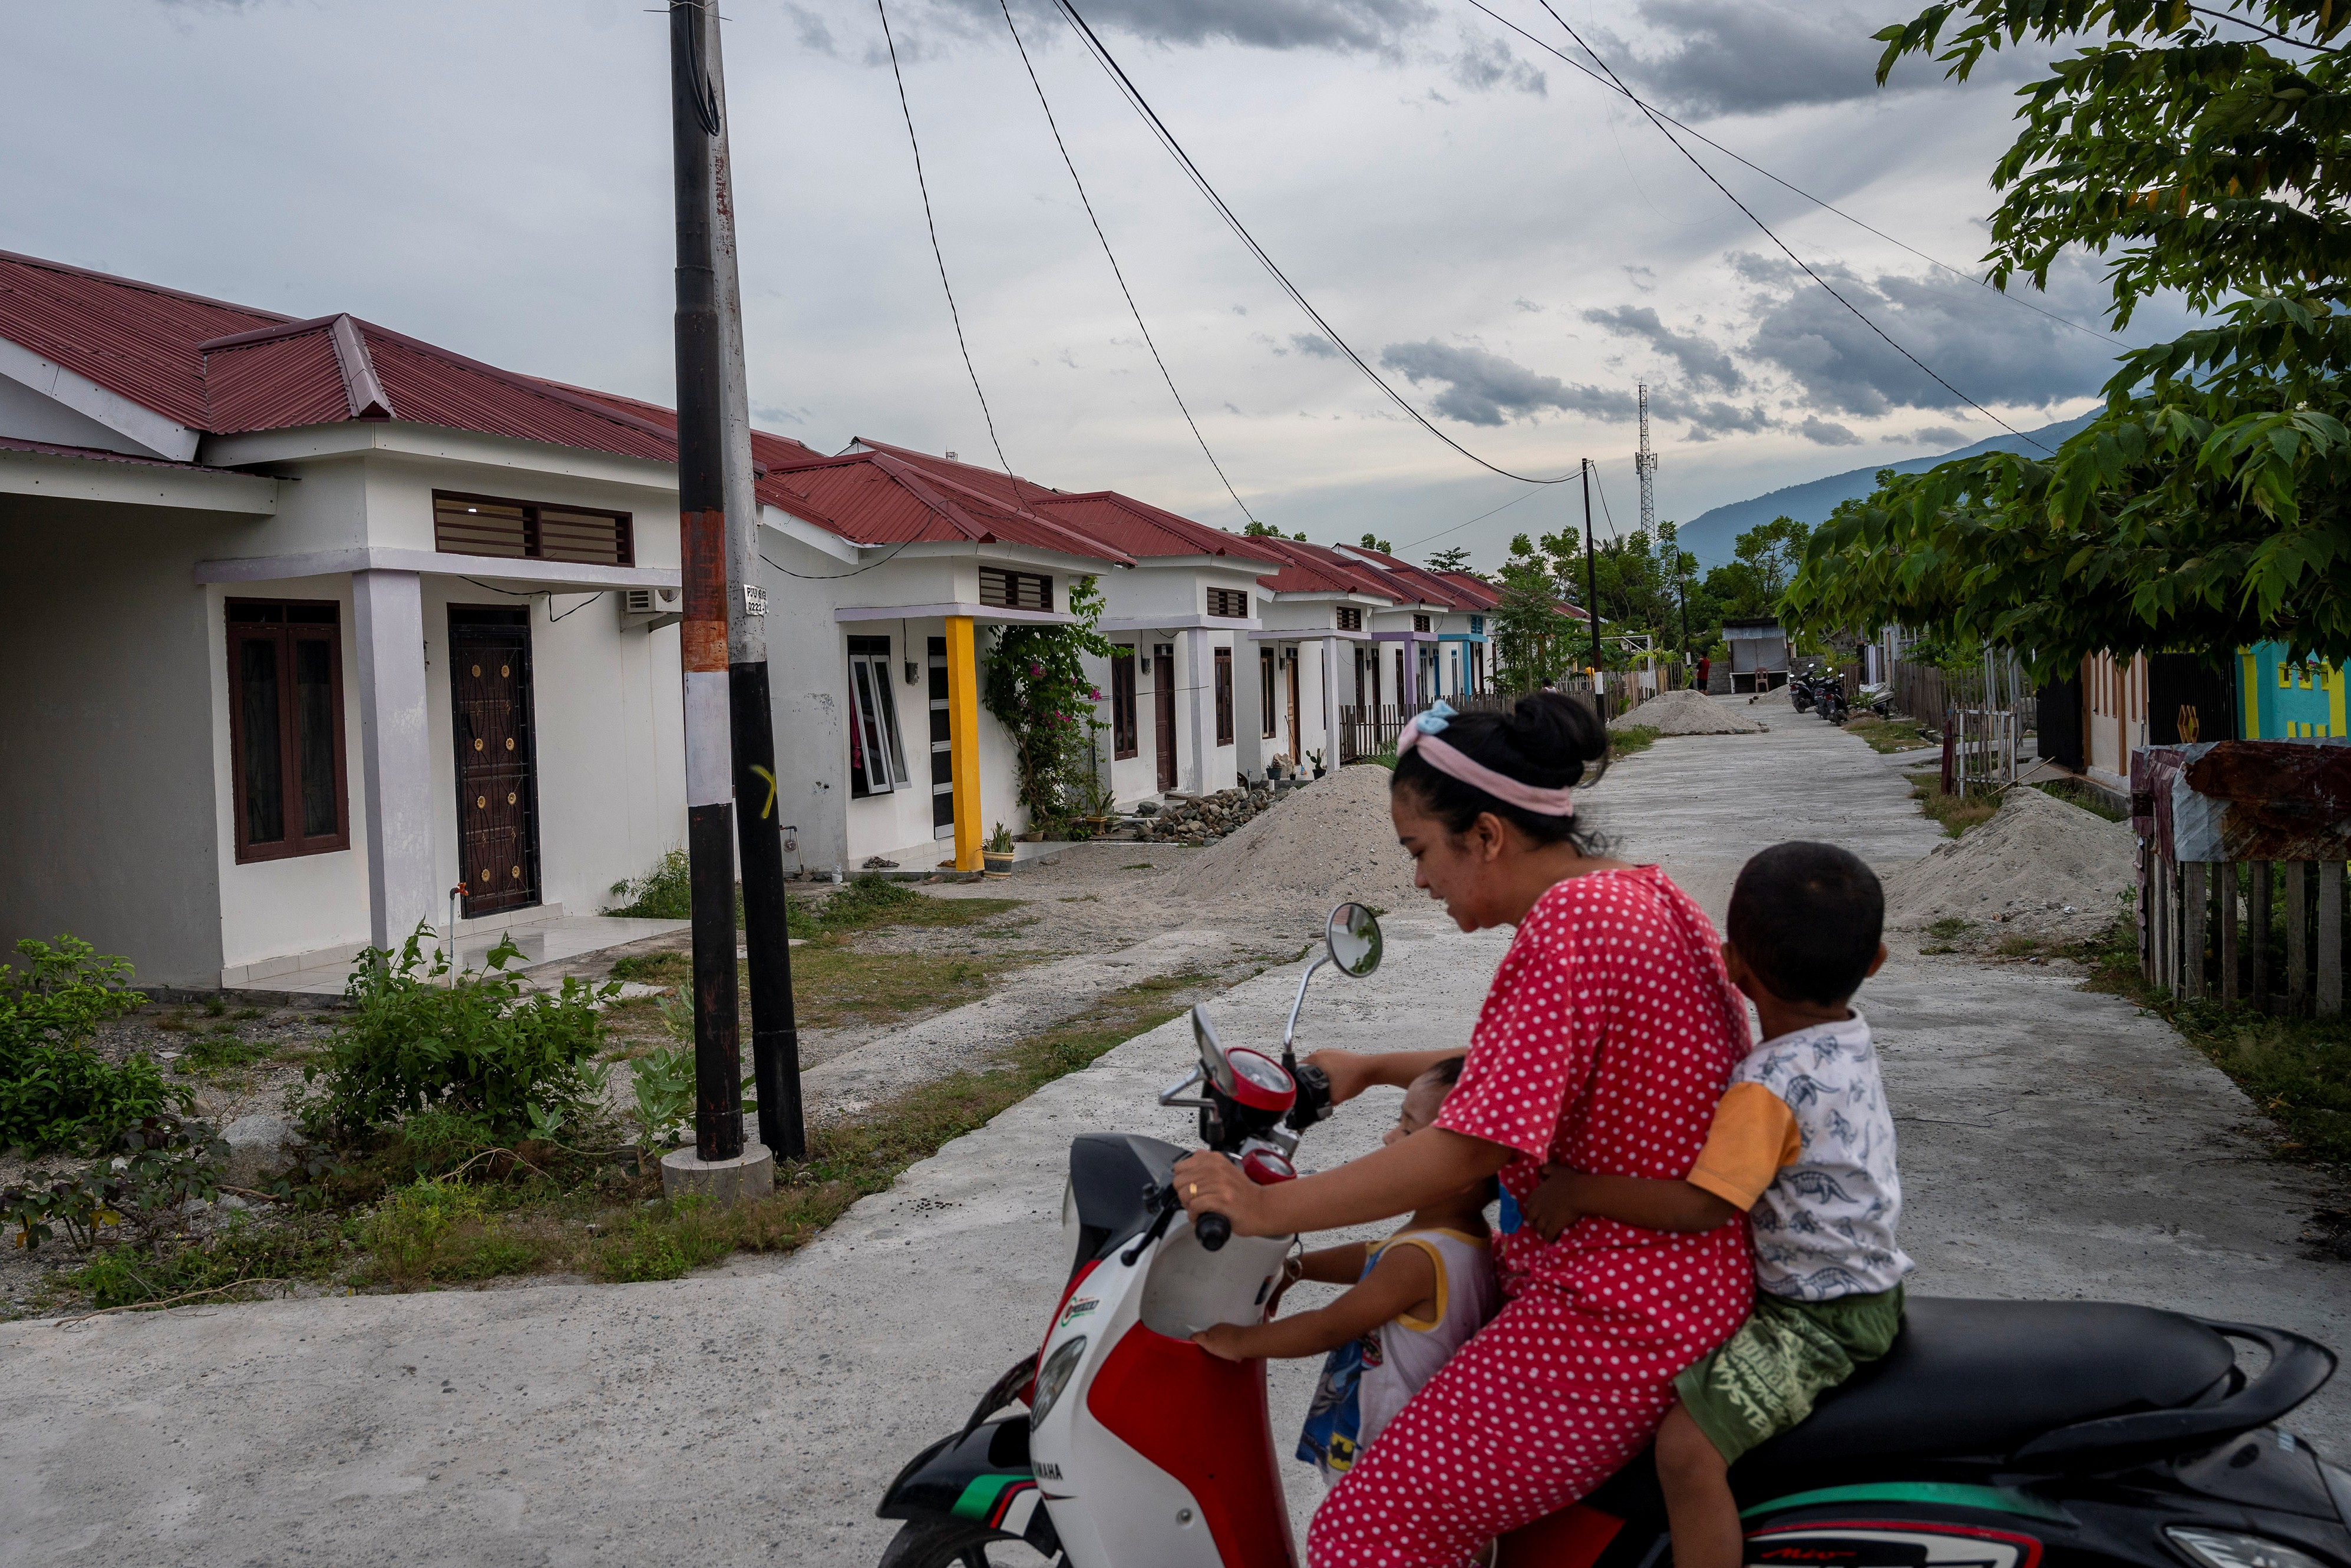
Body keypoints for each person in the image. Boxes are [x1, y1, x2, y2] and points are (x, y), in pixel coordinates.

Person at [1174, 694, 1754, 1568]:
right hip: (1680, 1286)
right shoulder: (1635, 896)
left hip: (1616, 1316)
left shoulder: (1566, 928)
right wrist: (1372, 1067)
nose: (1416, 881)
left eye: (1420, 851)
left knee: (1366, 1526)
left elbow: (1473, 1142)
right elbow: (1532, 1064)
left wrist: (1260, 1215)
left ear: (1485, 835)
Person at [1523, 841, 1910, 1568]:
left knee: (1685, 1450)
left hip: (1819, 1319)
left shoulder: (1767, 1086)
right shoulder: (1847, 1039)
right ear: (1877, 961)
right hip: (1862, 1284)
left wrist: (1579, 1190)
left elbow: (1703, 1206)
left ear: (1732, 967)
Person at [1193, 1056, 1498, 1485]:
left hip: (1390, 1461)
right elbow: (1377, 1255)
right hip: (1417, 1446)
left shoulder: (1419, 1260)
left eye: (1409, 1133)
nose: (1390, 1137)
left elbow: (1327, 1326)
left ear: (1461, 1170)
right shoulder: (1458, 1236)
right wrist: (1298, 1269)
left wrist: (1242, 1341)